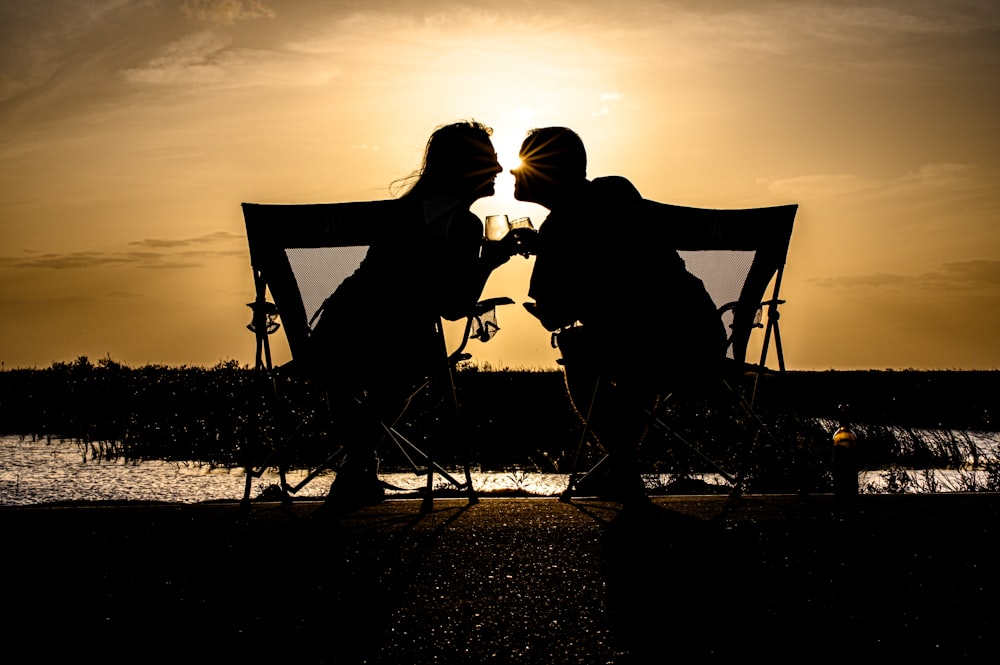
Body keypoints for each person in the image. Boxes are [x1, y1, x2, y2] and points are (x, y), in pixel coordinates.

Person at [310, 120, 519, 514]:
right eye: (490, 160)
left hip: (333, 334)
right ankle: (358, 463)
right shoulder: (463, 224)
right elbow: (453, 306)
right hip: (399, 345)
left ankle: (357, 465)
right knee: (406, 360)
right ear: (466, 168)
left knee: (348, 373)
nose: (499, 168)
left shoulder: (395, 214)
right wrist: (490, 262)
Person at [512, 126, 727, 505]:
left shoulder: (559, 227)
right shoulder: (617, 192)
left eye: (522, 164)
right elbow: (615, 251)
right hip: (702, 340)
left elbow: (552, 314)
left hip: (651, 351)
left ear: (546, 174)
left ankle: (622, 465)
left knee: (578, 348)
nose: (513, 172)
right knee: (628, 344)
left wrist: (549, 256)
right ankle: (619, 467)